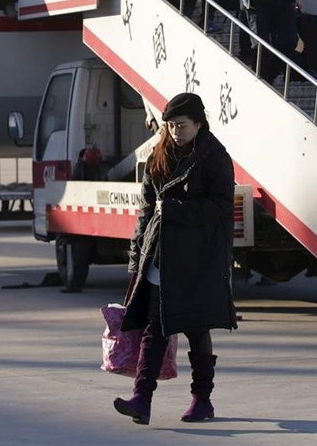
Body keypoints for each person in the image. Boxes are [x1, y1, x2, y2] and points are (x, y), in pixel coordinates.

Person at [116, 92, 236, 426]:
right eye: (170, 126)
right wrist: (136, 255)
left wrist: (175, 210)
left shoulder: (214, 157)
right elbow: (146, 209)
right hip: (160, 258)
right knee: (155, 329)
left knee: (197, 330)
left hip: (198, 261)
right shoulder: (160, 153)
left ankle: (202, 400)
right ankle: (142, 398)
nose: (174, 132)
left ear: (199, 123)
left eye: (181, 126)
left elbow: (222, 206)